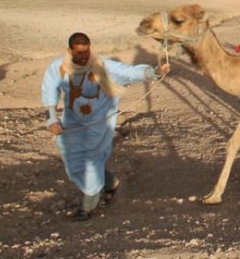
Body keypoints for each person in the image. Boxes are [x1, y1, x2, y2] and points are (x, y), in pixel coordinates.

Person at [41, 32, 170, 221]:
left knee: (89, 159)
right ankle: (110, 182)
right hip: (73, 122)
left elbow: (130, 72)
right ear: (69, 51)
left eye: (87, 52)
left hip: (100, 123)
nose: (84, 56)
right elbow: (49, 90)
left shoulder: (102, 66)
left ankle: (88, 205)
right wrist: (51, 119)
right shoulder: (57, 67)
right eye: (79, 53)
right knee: (72, 159)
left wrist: (154, 72)